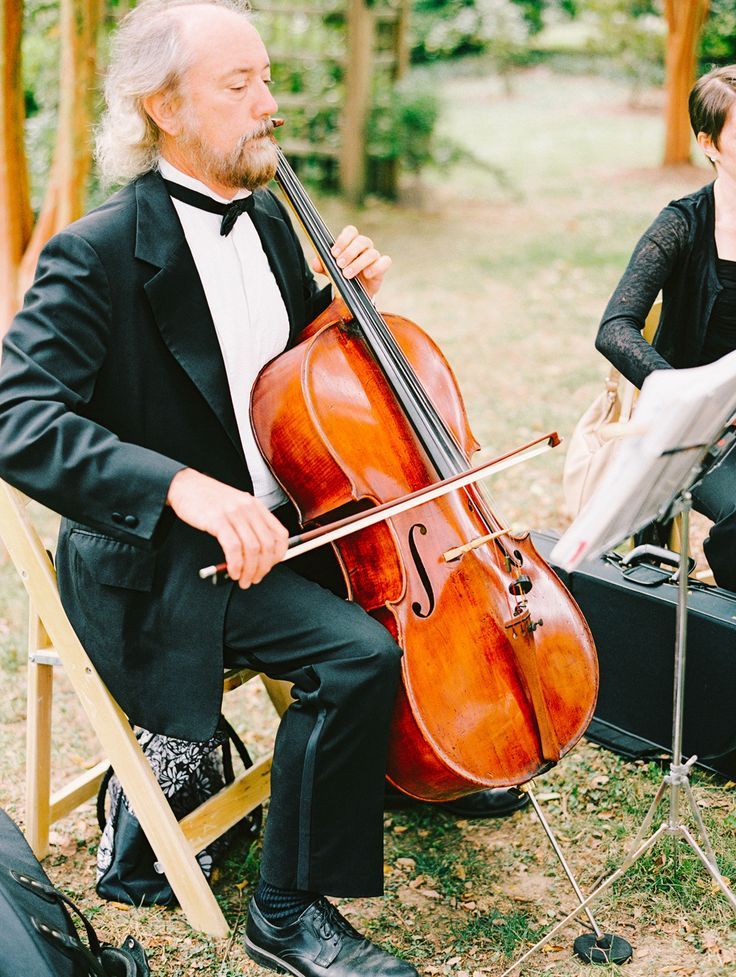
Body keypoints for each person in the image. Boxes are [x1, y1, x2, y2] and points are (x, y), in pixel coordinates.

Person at [0, 3, 523, 975]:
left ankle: (403, 761)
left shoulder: (273, 219)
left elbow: (282, 387)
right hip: (166, 562)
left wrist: (332, 301)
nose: (267, 105)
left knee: (422, 601)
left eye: (267, 80)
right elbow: (16, 415)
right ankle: (286, 914)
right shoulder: (98, 251)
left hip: (285, 523)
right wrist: (181, 488)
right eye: (238, 87)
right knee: (357, 650)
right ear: (164, 106)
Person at [595, 64, 736, 592]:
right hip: (704, 429)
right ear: (709, 143)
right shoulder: (681, 223)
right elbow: (615, 327)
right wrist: (683, 391)